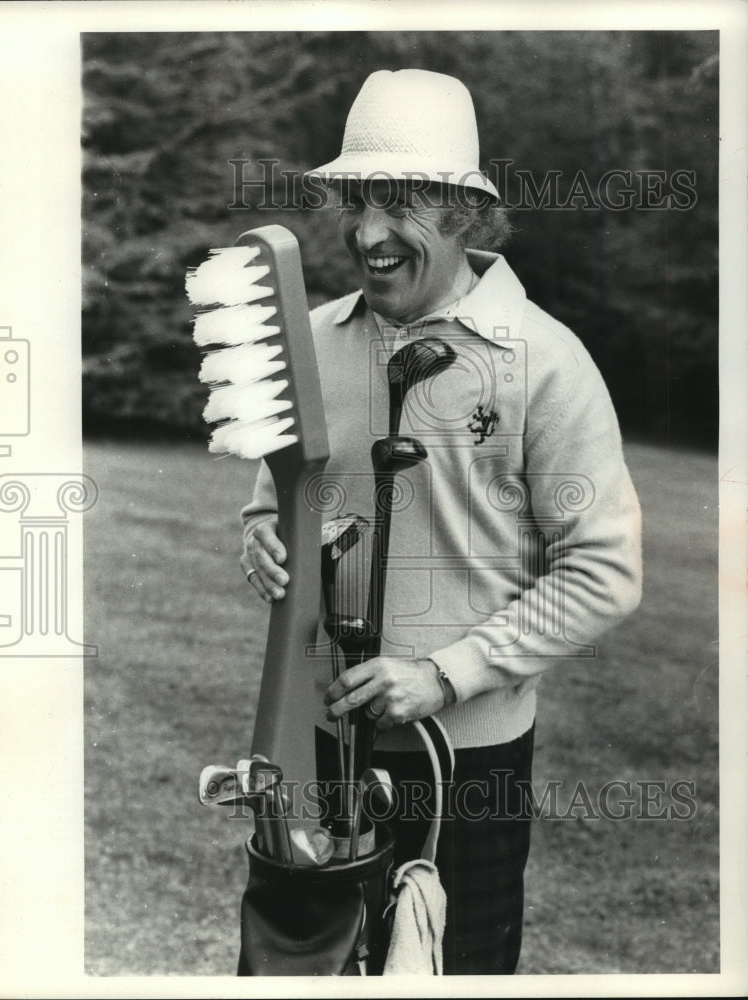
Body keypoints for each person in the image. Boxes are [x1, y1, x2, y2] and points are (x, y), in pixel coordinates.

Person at [239, 68, 642, 974]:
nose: (368, 234)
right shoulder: (309, 339)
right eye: (357, 202)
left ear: (467, 211)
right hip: (312, 751)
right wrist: (262, 540)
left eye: (402, 204)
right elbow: (277, 501)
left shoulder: (545, 363)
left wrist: (444, 674)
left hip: (465, 773)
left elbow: (604, 569)